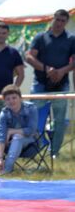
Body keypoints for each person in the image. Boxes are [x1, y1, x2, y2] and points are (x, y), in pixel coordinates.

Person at [25, 9, 75, 157]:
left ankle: (54, 152)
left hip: (62, 84)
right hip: (40, 83)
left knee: (59, 120)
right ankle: (37, 148)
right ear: (52, 19)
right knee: (34, 117)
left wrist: (61, 71)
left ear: (66, 22)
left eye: (63, 21)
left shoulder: (71, 39)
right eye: (57, 19)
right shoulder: (41, 37)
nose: (59, 23)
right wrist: (47, 69)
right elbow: (29, 57)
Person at [0, 85, 37, 176]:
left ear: (20, 98)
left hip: (30, 142)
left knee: (17, 137)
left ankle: (7, 169)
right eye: (8, 99)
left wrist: (11, 131)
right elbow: (1, 135)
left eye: (14, 98)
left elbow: (31, 131)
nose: (11, 101)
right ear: (5, 101)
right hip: (9, 142)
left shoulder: (31, 109)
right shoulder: (4, 113)